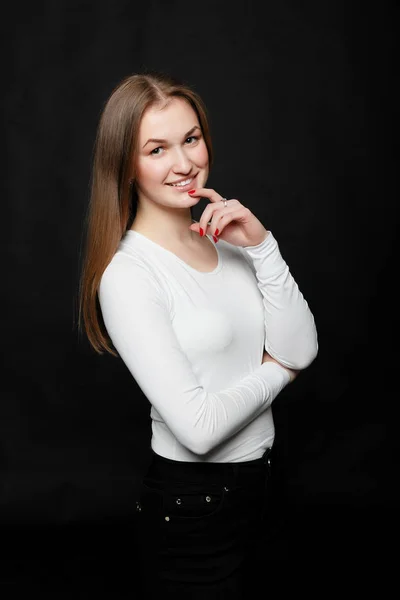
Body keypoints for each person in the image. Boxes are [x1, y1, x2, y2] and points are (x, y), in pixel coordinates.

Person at [77, 70, 318, 597]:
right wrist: (280, 372)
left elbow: (304, 345)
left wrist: (262, 246)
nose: (184, 164)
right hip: (193, 508)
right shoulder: (129, 275)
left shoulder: (230, 243)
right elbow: (200, 429)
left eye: (190, 139)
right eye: (157, 149)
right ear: (125, 165)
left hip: (265, 486)